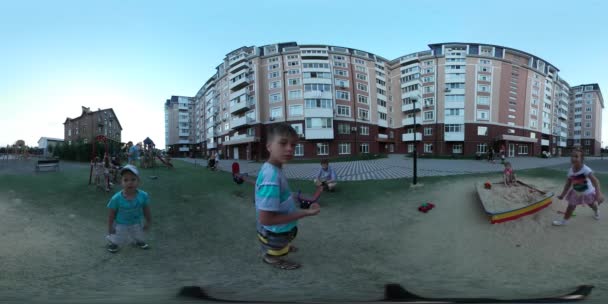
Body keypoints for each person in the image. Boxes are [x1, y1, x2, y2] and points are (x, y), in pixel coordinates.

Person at [255, 123, 320, 270]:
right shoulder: (271, 176)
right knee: (276, 250)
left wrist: (294, 198)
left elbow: (275, 196)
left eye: (293, 145)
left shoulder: (272, 168)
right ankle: (272, 258)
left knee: (283, 241)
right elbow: (266, 219)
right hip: (275, 232)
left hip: (275, 230)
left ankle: (282, 247)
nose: (290, 149)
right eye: (283, 143)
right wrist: (304, 213)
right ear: (269, 146)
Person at [105, 165, 151, 253]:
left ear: (138, 181)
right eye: (125, 180)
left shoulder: (143, 195)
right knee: (117, 235)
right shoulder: (116, 198)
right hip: (121, 223)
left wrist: (148, 221)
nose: (130, 182)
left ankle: (139, 241)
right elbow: (111, 214)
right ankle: (114, 243)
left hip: (136, 221)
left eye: (133, 179)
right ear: (121, 182)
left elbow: (146, 209)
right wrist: (110, 227)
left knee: (138, 233)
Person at [553, 150, 605, 226]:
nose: (573, 158)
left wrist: (598, 194)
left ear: (582, 159)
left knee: (592, 205)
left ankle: (596, 211)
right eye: (572, 156)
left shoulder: (586, 169)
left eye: (576, 156)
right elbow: (568, 184)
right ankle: (564, 221)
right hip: (576, 193)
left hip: (587, 193)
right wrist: (562, 195)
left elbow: (596, 181)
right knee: (570, 207)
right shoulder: (570, 170)